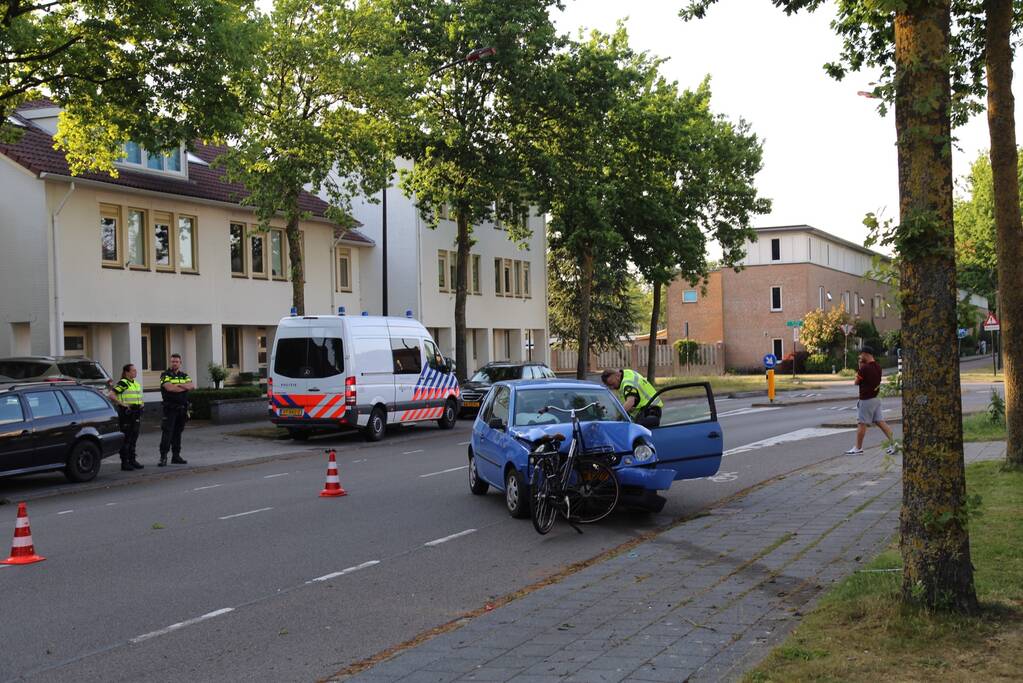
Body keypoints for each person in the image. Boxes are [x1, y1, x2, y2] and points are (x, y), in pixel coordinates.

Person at [845, 346, 896, 455]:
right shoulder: (878, 367)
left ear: (866, 354)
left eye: (861, 354)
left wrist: (860, 367)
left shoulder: (864, 368)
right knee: (881, 422)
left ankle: (858, 448)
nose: (859, 356)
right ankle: (894, 444)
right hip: (876, 398)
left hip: (866, 399)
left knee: (861, 423)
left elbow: (856, 382)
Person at [159, 353, 195, 466]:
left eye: (177, 361)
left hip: (182, 409)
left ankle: (176, 456)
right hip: (170, 409)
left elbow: (192, 386)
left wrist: (177, 387)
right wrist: (183, 387)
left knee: (178, 433)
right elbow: (168, 388)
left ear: (180, 363)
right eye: (173, 361)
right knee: (167, 433)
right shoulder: (165, 375)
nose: (174, 363)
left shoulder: (184, 375)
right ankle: (163, 457)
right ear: (170, 362)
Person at [109, 363, 144, 471]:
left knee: (134, 437)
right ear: (127, 372)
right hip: (126, 414)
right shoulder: (123, 383)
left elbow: (137, 397)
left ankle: (132, 460)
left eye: (135, 370)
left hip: (136, 413)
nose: (135, 372)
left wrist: (142, 404)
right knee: (127, 438)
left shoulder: (136, 383)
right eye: (133, 370)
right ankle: (125, 462)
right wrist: (122, 404)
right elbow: (111, 395)